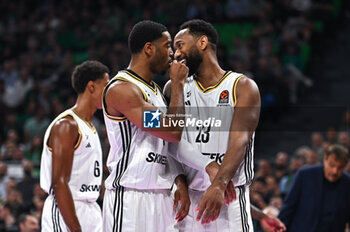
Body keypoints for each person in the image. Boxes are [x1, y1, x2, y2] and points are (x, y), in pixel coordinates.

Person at [167, 19, 261, 231]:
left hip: (230, 197)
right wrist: (182, 180)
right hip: (190, 203)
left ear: (202, 42)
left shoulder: (243, 86)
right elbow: (170, 141)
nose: (176, 54)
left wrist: (219, 184)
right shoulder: (173, 89)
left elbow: (240, 140)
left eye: (180, 45)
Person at [102, 20, 192, 232]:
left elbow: (165, 145)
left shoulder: (156, 93)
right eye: (168, 45)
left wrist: (179, 180)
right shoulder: (122, 89)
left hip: (161, 195)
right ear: (149, 48)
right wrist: (178, 85)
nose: (172, 53)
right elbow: (172, 131)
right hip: (130, 199)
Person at [40, 60, 110, 232]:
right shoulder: (67, 125)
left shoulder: (92, 126)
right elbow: (59, 183)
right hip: (66, 210)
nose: (109, 92)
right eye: (106, 85)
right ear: (91, 87)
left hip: (91, 209)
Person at [278, 144, 350, 232]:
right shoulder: (305, 175)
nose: (335, 171)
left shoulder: (347, 182)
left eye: (340, 167)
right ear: (325, 159)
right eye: (332, 165)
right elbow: (288, 208)